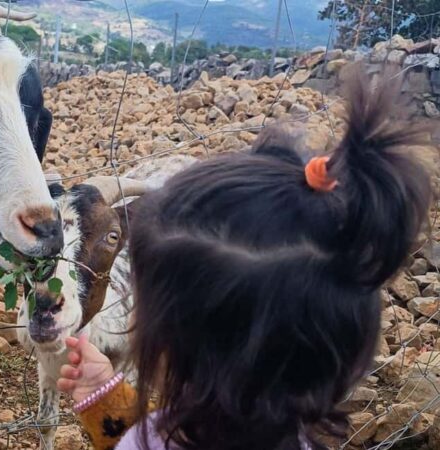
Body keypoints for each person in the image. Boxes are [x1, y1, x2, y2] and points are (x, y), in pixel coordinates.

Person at [57, 66, 433, 450]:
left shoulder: (154, 439)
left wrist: (111, 414)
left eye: (143, 299)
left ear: (179, 344)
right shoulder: (294, 438)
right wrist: (105, 394)